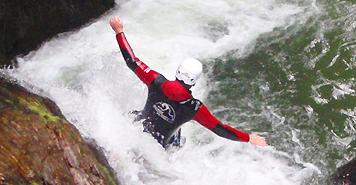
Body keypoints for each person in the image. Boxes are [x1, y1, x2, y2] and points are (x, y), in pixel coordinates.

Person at [110, 16, 268, 148]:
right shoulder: (195, 108)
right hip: (157, 148)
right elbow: (220, 129)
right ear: (194, 83)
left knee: (135, 116)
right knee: (178, 139)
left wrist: (119, 31)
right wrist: (248, 138)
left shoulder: (156, 81)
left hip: (136, 130)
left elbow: (131, 60)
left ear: (177, 72)